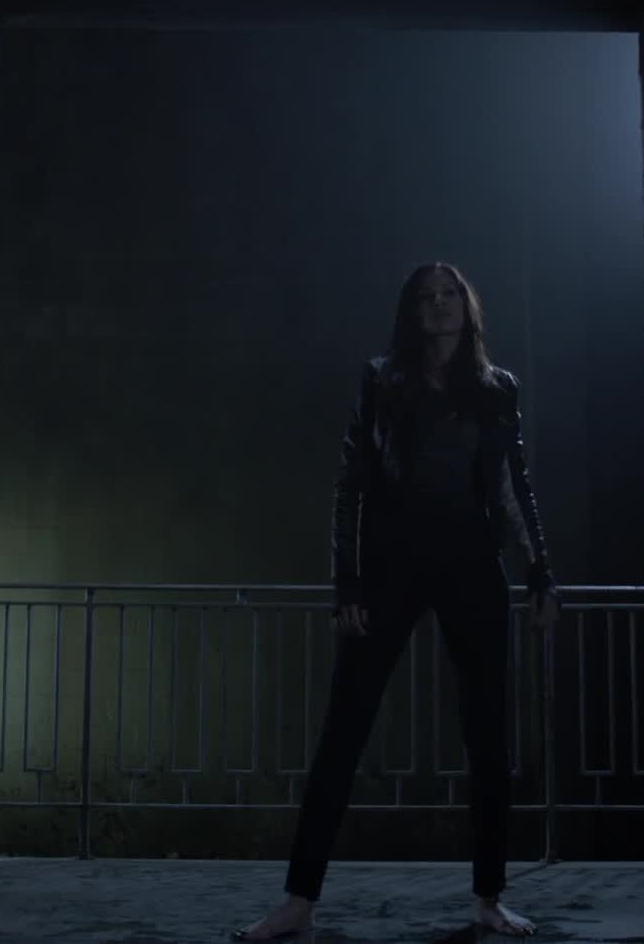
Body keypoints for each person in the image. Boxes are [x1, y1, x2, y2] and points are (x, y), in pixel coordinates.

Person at [234, 262, 562, 941]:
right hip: (392, 570)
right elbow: (351, 484)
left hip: (473, 568)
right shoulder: (383, 380)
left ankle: (489, 898)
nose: (439, 305)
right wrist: (348, 582)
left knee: (488, 738)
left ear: (467, 307)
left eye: (449, 295)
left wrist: (540, 571)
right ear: (411, 312)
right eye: (426, 297)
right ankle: (298, 902)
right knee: (343, 732)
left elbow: (512, 483)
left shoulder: (497, 388)